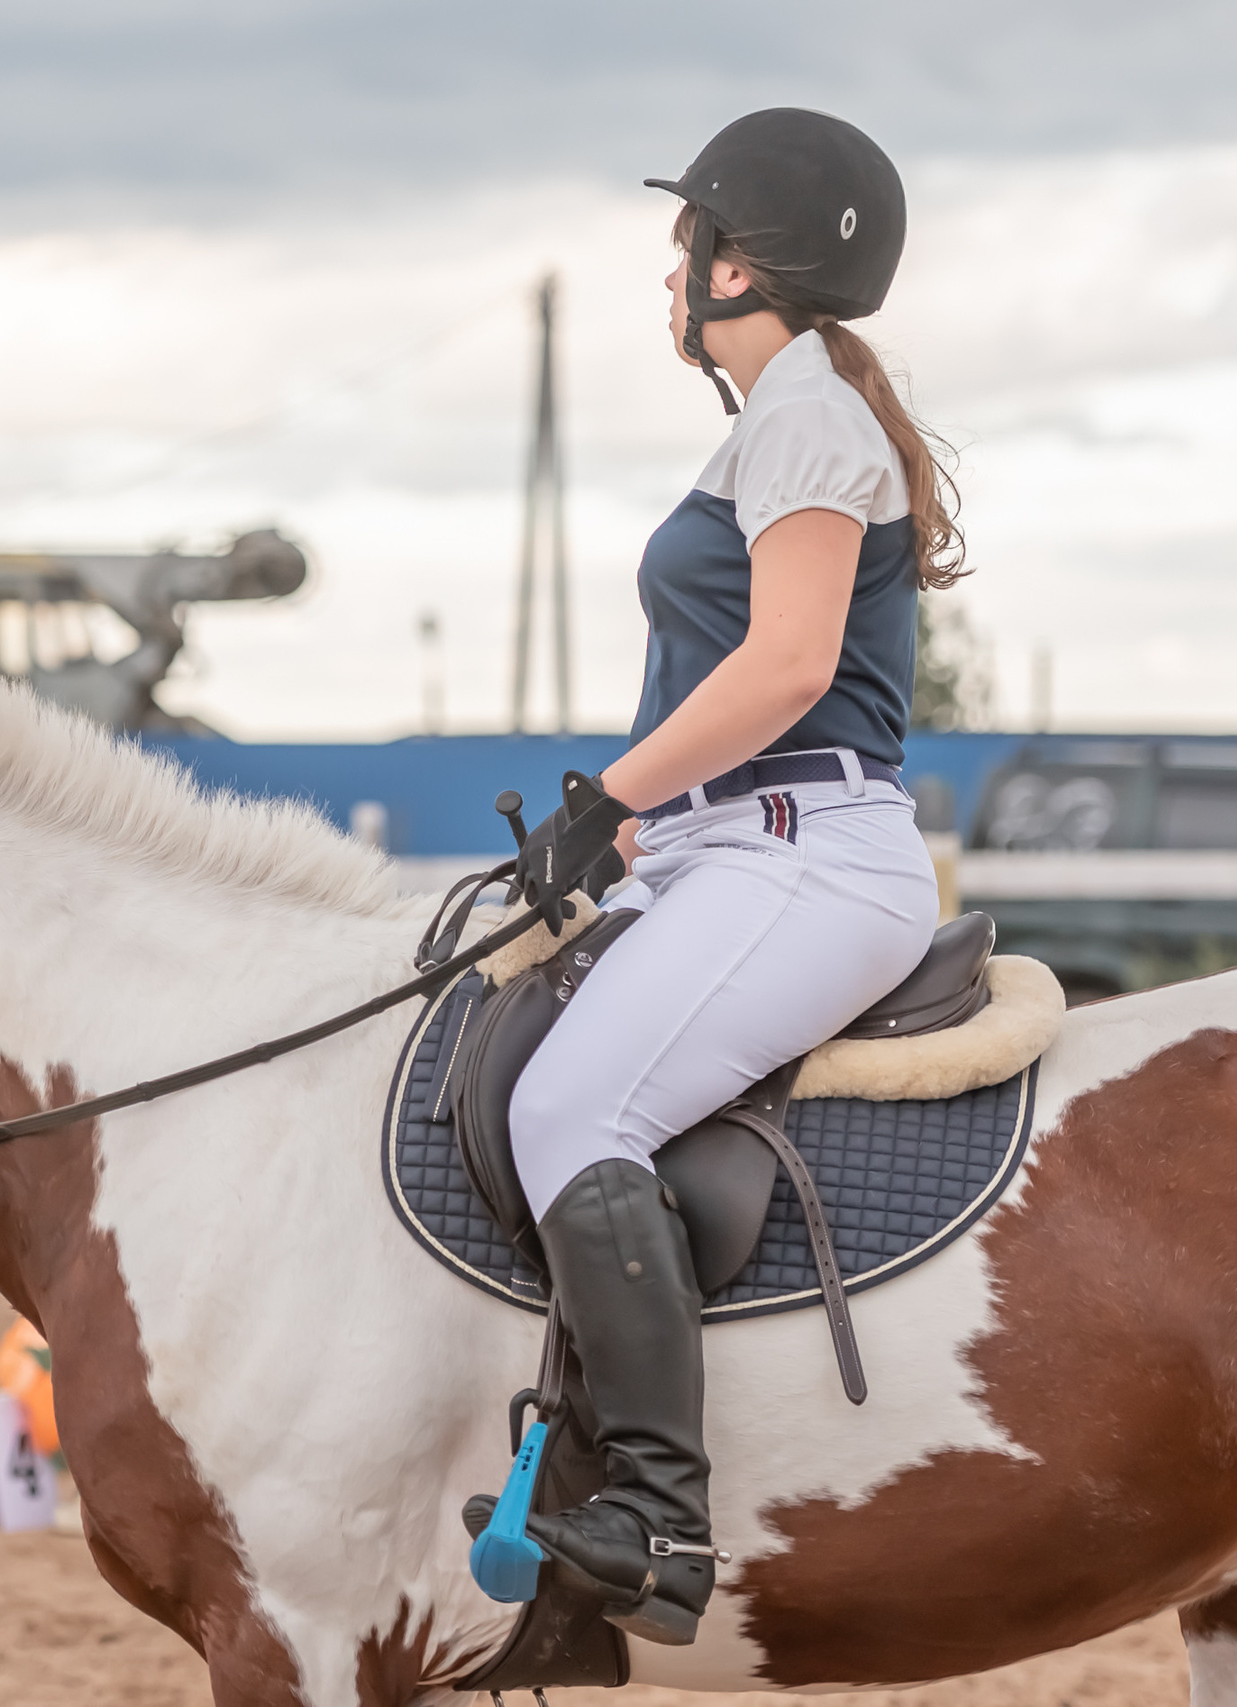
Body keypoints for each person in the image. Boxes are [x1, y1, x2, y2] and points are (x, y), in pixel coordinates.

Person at [470, 109, 966, 1645]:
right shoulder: (772, 420)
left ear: (741, 265)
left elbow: (791, 662)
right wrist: (625, 827)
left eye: (687, 242)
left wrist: (607, 793)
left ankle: (662, 1520)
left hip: (808, 855)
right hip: (725, 843)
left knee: (574, 1108)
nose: (669, 268)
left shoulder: (812, 415)